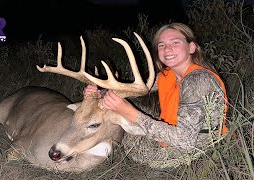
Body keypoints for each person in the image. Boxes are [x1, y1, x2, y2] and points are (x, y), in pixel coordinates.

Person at [83, 22, 228, 169]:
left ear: (192, 47)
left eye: (175, 42)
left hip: (196, 151)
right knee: (115, 110)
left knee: (120, 120)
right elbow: (134, 90)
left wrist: (132, 114)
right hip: (171, 138)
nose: (167, 49)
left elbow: (185, 141)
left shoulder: (198, 80)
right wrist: (100, 93)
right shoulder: (167, 75)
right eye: (161, 45)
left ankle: (86, 157)